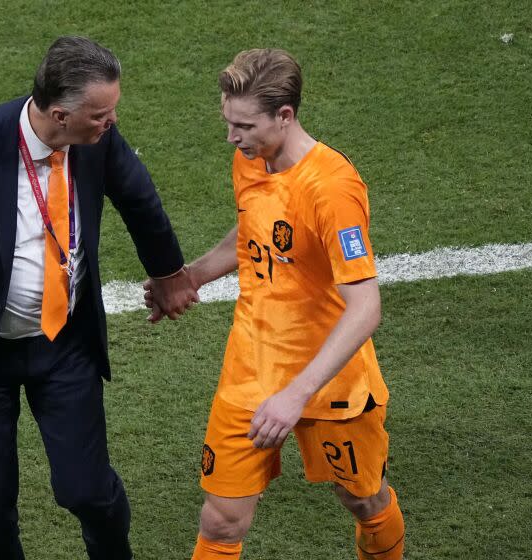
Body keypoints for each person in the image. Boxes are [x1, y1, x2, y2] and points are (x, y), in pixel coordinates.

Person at [0, 36, 198, 560]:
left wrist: (168, 274)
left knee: (87, 490)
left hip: (64, 343)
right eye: (100, 114)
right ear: (59, 114)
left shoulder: (95, 139)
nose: (111, 122)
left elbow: (139, 198)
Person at [146, 49, 405, 559]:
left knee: (362, 499)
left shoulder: (332, 190)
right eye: (227, 122)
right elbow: (252, 228)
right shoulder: (251, 160)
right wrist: (190, 275)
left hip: (328, 380)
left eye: (243, 125)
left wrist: (295, 395)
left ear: (285, 116)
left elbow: (365, 308)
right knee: (220, 522)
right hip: (251, 370)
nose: (231, 137)